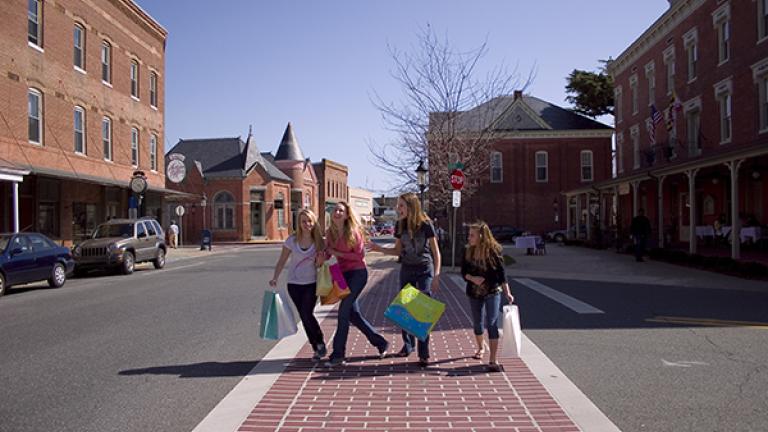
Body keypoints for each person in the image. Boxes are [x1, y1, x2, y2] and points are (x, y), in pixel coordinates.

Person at [369, 193, 441, 367]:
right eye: (398, 206)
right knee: (405, 309)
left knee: (423, 311)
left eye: (401, 205)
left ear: (411, 206)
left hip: (425, 269)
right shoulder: (400, 225)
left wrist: (437, 275)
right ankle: (408, 345)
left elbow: (436, 252)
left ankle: (423, 353)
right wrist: (379, 249)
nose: (398, 209)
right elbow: (397, 251)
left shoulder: (425, 224)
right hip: (407, 269)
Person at [324, 201, 389, 366]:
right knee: (353, 314)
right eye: (335, 210)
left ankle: (338, 354)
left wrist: (337, 252)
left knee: (343, 311)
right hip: (340, 274)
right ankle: (381, 343)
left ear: (346, 215)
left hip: (357, 274)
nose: (337, 213)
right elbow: (327, 253)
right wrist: (321, 257)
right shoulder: (329, 233)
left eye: (340, 210)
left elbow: (359, 257)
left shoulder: (353, 232)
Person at [269, 209, 327, 360]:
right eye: (303, 221)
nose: (307, 224)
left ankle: (319, 342)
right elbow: (282, 260)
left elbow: (322, 264)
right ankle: (316, 347)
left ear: (314, 222)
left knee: (307, 314)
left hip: (311, 283)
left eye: (309, 221)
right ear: (299, 223)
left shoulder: (320, 241)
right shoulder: (292, 240)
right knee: (304, 315)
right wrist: (275, 277)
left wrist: (320, 261)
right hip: (294, 284)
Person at [460, 222, 514, 372]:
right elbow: (463, 272)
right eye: (469, 235)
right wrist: (472, 278)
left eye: (472, 235)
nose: (469, 238)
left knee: (492, 323)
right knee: (477, 323)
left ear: (481, 236)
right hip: (474, 292)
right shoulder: (467, 251)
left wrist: (507, 292)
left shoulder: (494, 251)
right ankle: (480, 347)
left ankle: (493, 359)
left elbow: (502, 274)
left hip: (492, 291)